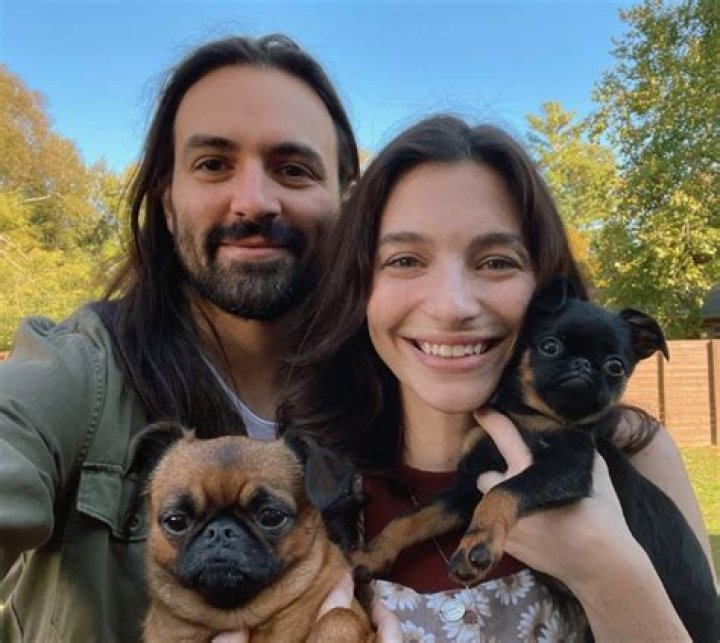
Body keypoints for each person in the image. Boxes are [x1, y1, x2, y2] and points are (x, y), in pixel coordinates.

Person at [280, 115, 716, 641]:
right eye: (405, 259)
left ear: (546, 290)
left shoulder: (637, 451)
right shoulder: (311, 477)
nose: (452, 306)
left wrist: (607, 573)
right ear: (357, 284)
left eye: (495, 262)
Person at [0, 33, 369, 642]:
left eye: (293, 169)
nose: (253, 201)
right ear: (168, 201)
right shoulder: (81, 375)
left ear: (348, 204)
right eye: (213, 164)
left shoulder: (402, 381)